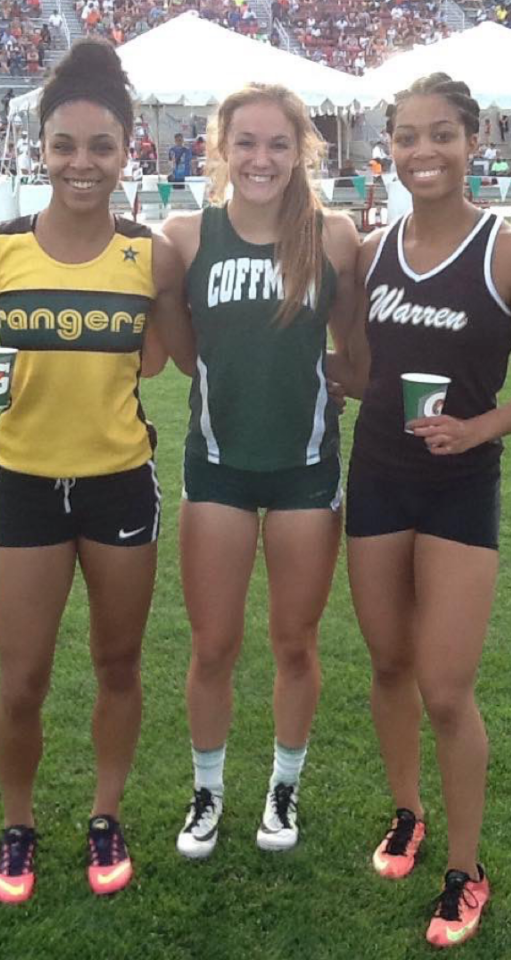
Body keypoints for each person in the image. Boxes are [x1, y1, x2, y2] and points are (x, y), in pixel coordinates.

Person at [0, 39, 194, 906]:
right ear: (39, 149)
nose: (81, 165)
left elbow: (161, 360)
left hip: (121, 479)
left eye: (101, 147)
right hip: (25, 482)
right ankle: (19, 825)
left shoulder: (150, 256)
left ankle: (105, 815)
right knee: (23, 680)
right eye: (64, 147)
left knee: (118, 664)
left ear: (130, 152)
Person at [334, 73, 511, 948]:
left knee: (444, 686)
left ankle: (465, 871)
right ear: (385, 148)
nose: (422, 151)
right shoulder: (370, 250)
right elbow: (358, 372)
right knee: (389, 664)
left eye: (441, 135)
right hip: (380, 475)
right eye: (405, 136)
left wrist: (478, 430)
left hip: (462, 483)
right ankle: (407, 812)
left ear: (473, 142)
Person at [158, 83, 358, 860]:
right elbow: (179, 351)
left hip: (306, 467)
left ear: (302, 149)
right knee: (213, 646)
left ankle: (284, 784)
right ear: (220, 148)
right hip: (218, 466)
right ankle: (207, 791)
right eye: (246, 143)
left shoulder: (333, 237)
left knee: (294, 642)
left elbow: (358, 352)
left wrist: (331, 380)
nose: (261, 159)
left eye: (279, 144)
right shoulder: (184, 237)